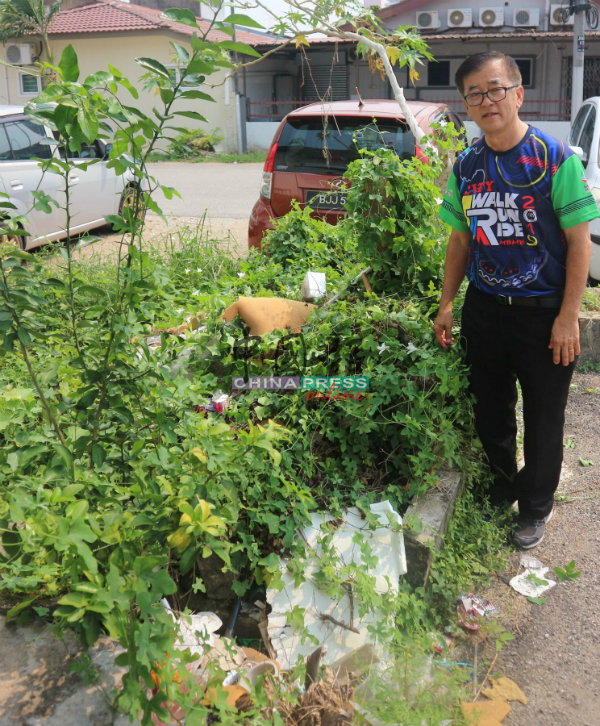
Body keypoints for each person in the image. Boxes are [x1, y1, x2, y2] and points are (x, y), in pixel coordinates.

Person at [434, 51, 598, 549]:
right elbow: (460, 243)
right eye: (475, 94)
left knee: (544, 418)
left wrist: (569, 316)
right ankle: (498, 489)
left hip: (544, 314)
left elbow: (578, 243)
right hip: (485, 311)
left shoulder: (556, 159)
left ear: (518, 93)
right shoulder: (465, 167)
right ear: (466, 105)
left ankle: (535, 508)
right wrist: (446, 304)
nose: (488, 101)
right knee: (492, 410)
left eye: (496, 88)